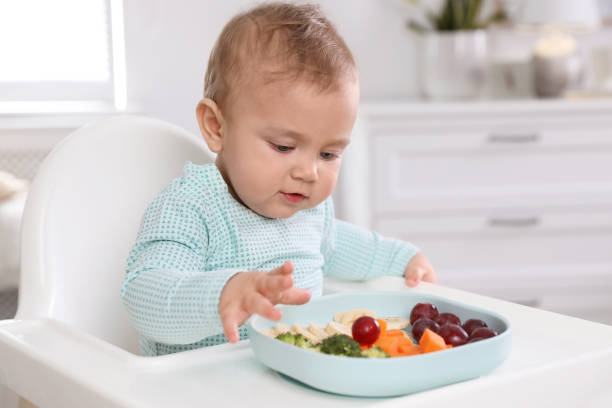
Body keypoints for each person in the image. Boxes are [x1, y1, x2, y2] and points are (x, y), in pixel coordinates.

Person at [121, 2, 437, 357]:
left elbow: (347, 246)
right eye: (284, 146)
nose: (309, 172)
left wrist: (403, 259)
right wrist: (224, 294)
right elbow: (144, 295)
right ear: (216, 127)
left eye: (328, 154)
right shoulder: (190, 208)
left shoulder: (310, 214)